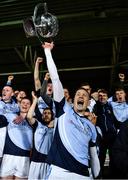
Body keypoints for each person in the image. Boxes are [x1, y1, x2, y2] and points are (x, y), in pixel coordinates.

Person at [42, 42, 100, 179]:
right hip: (59, 172)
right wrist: (48, 52)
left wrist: (97, 176)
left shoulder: (91, 127)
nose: (81, 96)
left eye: (84, 96)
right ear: (73, 100)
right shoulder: (63, 109)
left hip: (83, 174)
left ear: (88, 102)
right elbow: (55, 79)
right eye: (78, 94)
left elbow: (94, 156)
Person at [0, 97, 33, 179]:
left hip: (24, 158)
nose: (25, 105)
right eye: (23, 103)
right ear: (19, 105)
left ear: (31, 106)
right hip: (9, 155)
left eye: (28, 103)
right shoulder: (9, 115)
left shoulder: (33, 120)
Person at [27, 91, 54, 180]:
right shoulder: (38, 124)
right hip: (35, 162)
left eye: (49, 113)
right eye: (44, 113)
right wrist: (35, 100)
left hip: (49, 163)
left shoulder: (56, 128)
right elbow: (29, 117)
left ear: (52, 116)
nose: (46, 115)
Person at [93, 89, 117, 178]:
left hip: (112, 137)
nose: (102, 97)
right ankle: (100, 176)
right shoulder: (96, 107)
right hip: (101, 137)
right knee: (101, 158)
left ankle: (113, 176)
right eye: (100, 96)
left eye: (104, 95)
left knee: (113, 158)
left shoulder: (111, 106)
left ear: (107, 97)